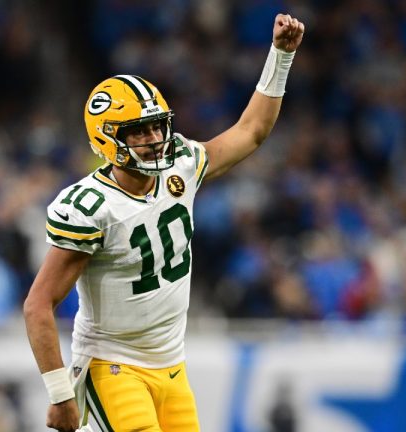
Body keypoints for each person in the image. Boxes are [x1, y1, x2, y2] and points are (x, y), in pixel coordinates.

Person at [24, 14, 305, 432]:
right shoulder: (90, 206)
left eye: (157, 126)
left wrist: (281, 55)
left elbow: (252, 130)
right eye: (139, 132)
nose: (155, 139)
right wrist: (60, 392)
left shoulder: (182, 166)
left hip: (171, 365)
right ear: (108, 139)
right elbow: (37, 305)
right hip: (113, 365)